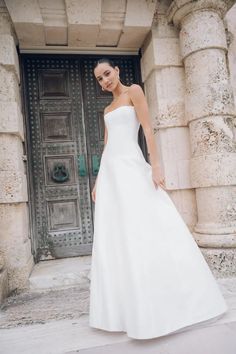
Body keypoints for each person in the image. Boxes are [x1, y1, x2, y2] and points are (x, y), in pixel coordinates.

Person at [89, 58, 228, 340]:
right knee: (118, 234)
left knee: (147, 224)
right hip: (112, 172)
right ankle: (124, 308)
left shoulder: (134, 92)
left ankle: (167, 298)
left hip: (131, 165)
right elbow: (107, 146)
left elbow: (148, 130)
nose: (105, 80)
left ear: (116, 71)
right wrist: (98, 179)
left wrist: (156, 165)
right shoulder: (106, 109)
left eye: (107, 73)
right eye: (100, 79)